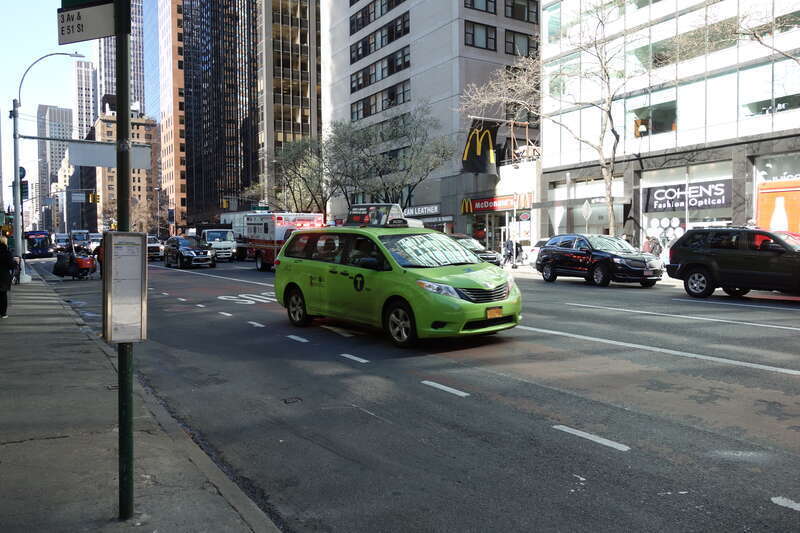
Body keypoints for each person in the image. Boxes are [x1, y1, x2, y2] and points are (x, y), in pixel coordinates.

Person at [0, 236, 15, 318]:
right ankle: (3, 313)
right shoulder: (7, 252)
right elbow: (11, 265)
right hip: (4, 276)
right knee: (3, 294)